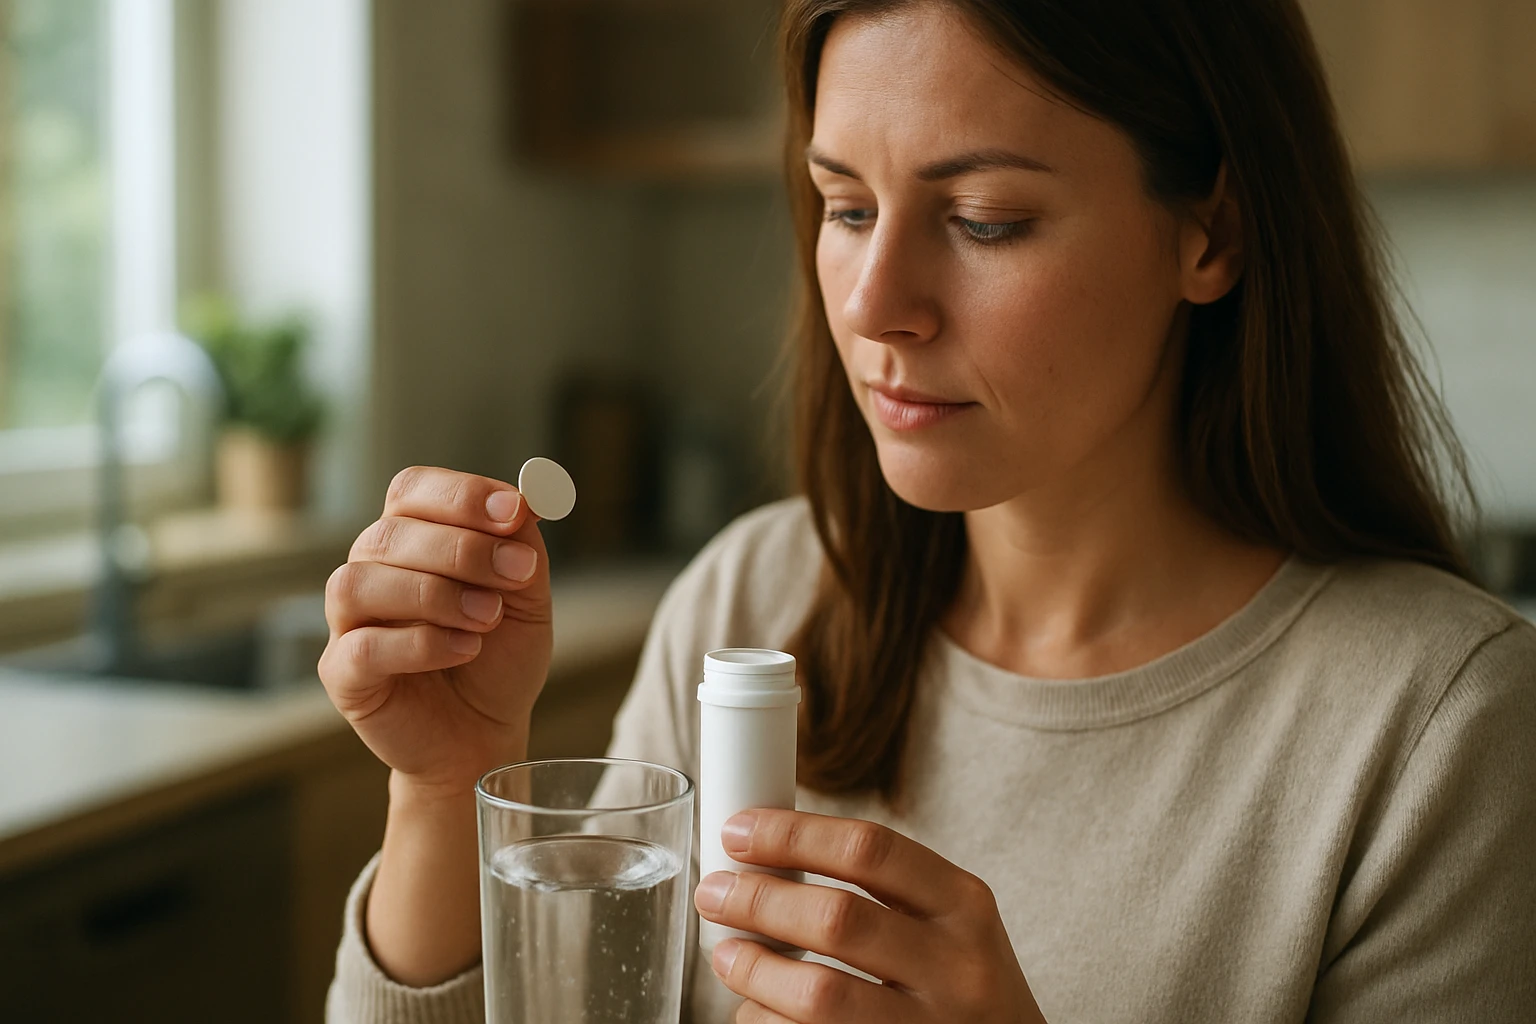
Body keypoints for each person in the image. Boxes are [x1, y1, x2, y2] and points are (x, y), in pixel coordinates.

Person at [321, 1, 1536, 1021]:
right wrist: (449, 788)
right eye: (847, 208)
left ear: (1209, 232)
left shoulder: (1440, 729)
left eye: (983, 220)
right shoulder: (753, 602)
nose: (876, 302)